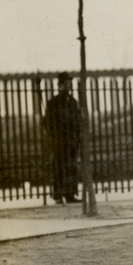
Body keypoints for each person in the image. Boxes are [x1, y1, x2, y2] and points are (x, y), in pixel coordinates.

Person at [43, 72, 83, 203]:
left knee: (71, 167)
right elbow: (47, 123)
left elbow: (77, 121)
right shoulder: (53, 102)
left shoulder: (72, 102)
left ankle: (70, 194)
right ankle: (58, 195)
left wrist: (76, 137)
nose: (68, 86)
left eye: (69, 84)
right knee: (59, 168)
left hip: (71, 142)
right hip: (59, 142)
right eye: (66, 84)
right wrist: (54, 136)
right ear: (59, 86)